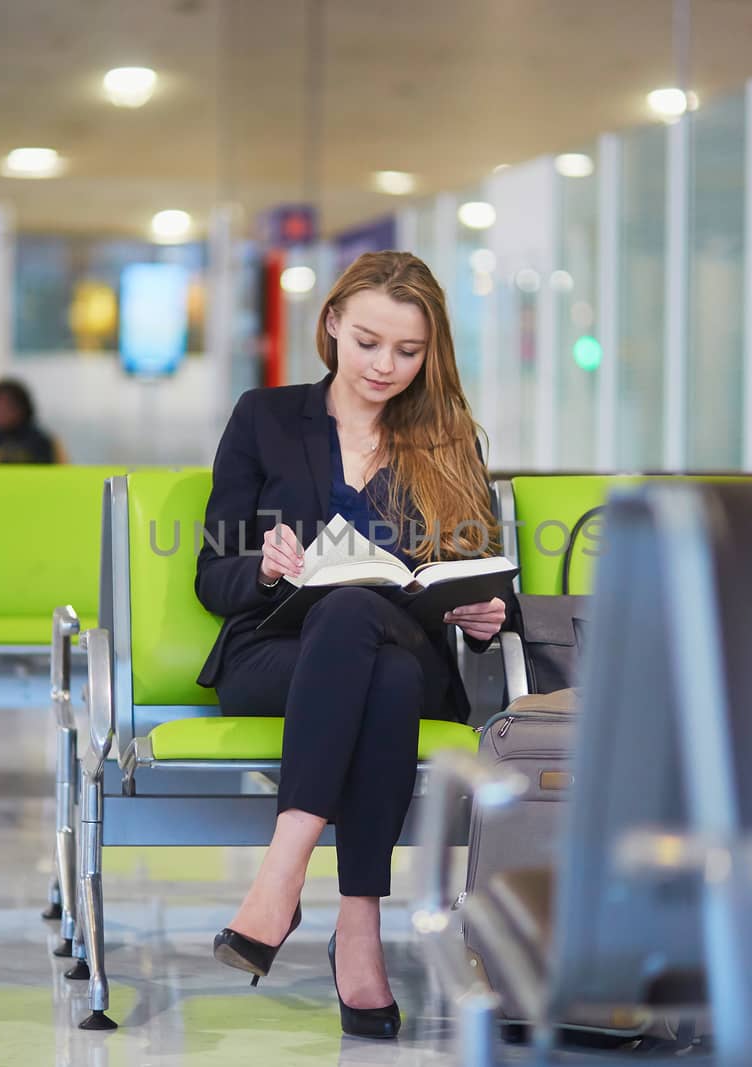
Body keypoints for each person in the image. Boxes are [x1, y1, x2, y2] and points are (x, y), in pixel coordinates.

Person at [197, 251, 508, 1039]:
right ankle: (359, 923)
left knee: (359, 622)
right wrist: (265, 569)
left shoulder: (447, 437)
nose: (386, 366)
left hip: (401, 638)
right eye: (368, 341)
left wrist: (484, 614)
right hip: (277, 657)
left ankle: (283, 872)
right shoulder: (264, 417)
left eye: (409, 351)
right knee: (380, 668)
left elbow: (481, 572)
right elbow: (211, 574)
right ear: (332, 321)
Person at [0, 378, 66, 464]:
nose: (4, 413)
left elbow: (65, 474)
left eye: (10, 407)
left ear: (23, 408)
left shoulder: (46, 443)